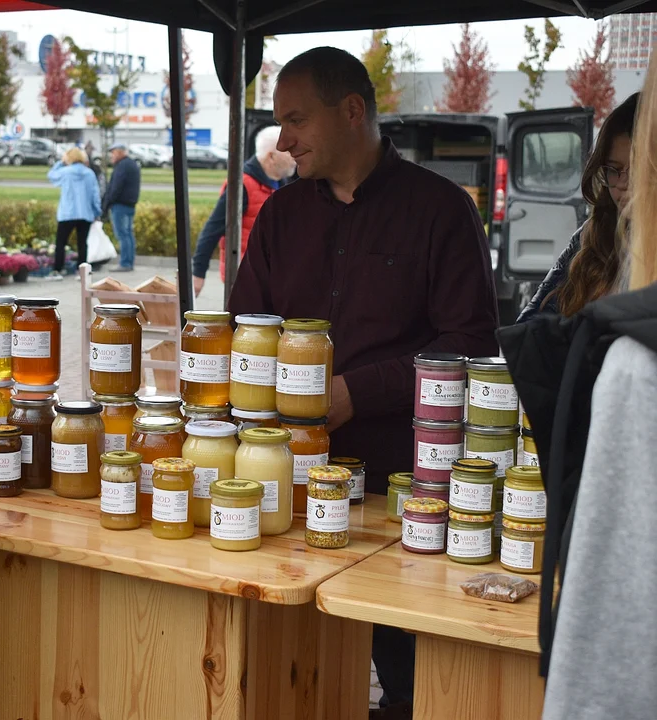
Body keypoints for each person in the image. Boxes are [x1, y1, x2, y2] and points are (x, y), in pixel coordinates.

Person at [227, 47, 499, 718]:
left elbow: (470, 345)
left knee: (408, 682)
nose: (283, 142)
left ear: (352, 112)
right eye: (278, 123)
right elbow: (241, 326)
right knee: (284, 673)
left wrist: (357, 391)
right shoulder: (282, 218)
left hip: (399, 494)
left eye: (295, 120)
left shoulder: (439, 211)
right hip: (284, 490)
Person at [499, 56, 657, 720]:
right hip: (570, 482)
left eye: (636, 173)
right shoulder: (587, 245)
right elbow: (529, 341)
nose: (622, 189)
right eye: (612, 172)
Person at [517, 93, 639, 322]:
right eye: (614, 169)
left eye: (638, 170)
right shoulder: (592, 235)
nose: (623, 184)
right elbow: (530, 330)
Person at [191, 125, 297, 295]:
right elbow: (212, 229)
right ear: (272, 157)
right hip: (245, 278)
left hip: (272, 277)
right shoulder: (242, 185)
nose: (295, 157)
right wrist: (198, 273)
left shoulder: (282, 185)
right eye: (288, 152)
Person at [47, 147, 101, 278]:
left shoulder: (65, 172)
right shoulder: (89, 173)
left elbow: (51, 175)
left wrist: (61, 162)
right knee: (82, 243)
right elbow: (95, 195)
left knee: (61, 242)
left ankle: (57, 270)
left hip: (67, 213)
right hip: (85, 213)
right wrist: (97, 212)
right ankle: (81, 271)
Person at [101, 142, 141, 271]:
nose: (111, 155)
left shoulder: (122, 166)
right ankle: (129, 262)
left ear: (120, 152)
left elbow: (116, 187)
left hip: (120, 205)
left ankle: (125, 263)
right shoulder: (131, 164)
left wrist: (107, 204)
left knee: (122, 234)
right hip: (129, 204)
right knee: (128, 233)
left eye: (113, 152)